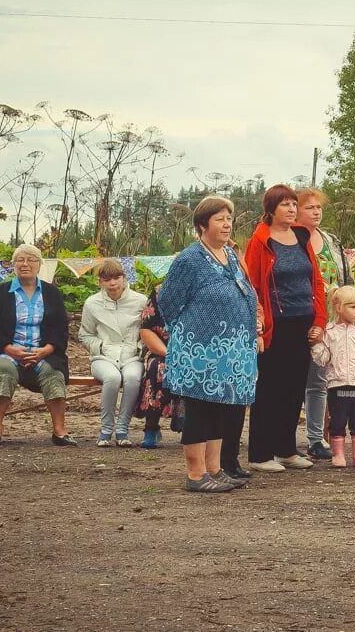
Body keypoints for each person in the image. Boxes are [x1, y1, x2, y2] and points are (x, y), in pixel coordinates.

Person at [159, 195, 259, 492]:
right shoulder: (189, 260)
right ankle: (196, 474)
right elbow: (167, 301)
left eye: (229, 218)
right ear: (202, 225)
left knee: (219, 409)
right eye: (220, 219)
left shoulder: (229, 255)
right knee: (200, 410)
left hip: (232, 351)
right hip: (200, 351)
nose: (227, 224)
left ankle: (214, 470)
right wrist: (190, 331)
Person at [245, 184, 327, 473]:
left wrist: (319, 321)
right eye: (285, 205)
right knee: (269, 388)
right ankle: (259, 453)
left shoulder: (302, 236)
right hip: (274, 325)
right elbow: (252, 285)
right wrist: (257, 326)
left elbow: (316, 281)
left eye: (294, 204)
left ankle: (286, 449)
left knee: (294, 388)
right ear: (271, 209)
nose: (292, 209)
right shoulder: (260, 241)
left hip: (302, 322)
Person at [0, 244, 75, 447]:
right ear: (13, 265)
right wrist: (8, 348)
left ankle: (59, 431)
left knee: (54, 374)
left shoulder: (52, 293)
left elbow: (61, 328)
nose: (25, 264)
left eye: (31, 260)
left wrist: (47, 350)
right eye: (20, 260)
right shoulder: (0, 293)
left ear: (39, 265)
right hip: (9, 352)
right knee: (1, 369)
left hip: (43, 353)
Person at [296, 188, 354, 461]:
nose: (317, 212)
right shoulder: (290, 240)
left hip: (329, 320)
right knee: (292, 381)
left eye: (319, 207)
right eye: (310, 207)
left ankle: (316, 438)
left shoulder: (331, 241)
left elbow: (346, 280)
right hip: (298, 318)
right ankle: (281, 437)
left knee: (318, 381)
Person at [311, 286, 355, 468]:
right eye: (352, 307)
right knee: (338, 420)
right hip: (337, 384)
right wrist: (317, 345)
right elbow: (323, 359)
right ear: (338, 307)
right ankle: (338, 454)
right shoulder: (330, 331)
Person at [79, 258, 147, 447]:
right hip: (103, 357)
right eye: (107, 279)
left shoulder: (140, 301)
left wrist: (139, 348)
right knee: (112, 378)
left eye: (117, 277)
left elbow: (149, 329)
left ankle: (123, 429)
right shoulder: (92, 303)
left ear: (125, 278)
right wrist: (100, 347)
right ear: (100, 281)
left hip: (132, 355)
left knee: (133, 378)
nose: (112, 283)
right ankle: (106, 429)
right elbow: (85, 334)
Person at [135, 284, 184, 449]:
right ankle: (151, 427)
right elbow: (146, 330)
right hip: (162, 350)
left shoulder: (204, 291)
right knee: (159, 367)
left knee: (195, 369)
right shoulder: (159, 291)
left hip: (195, 352)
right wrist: (170, 354)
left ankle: (189, 426)